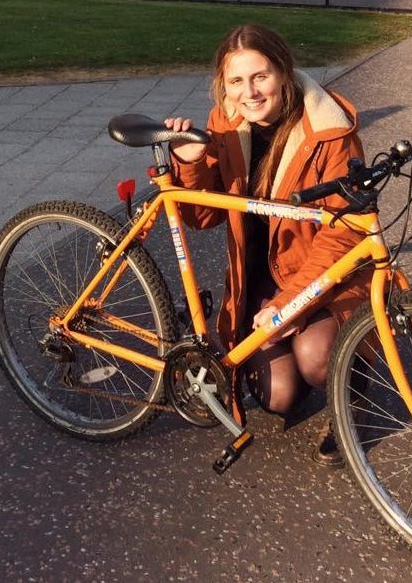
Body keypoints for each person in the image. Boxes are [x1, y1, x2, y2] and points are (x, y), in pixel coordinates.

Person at [165, 24, 370, 466]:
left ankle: (352, 392)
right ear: (223, 85)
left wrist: (292, 303)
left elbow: (345, 231)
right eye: (236, 81)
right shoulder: (226, 119)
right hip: (260, 279)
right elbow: (204, 215)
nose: (249, 92)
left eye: (260, 76)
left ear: (283, 71)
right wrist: (191, 165)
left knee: (317, 359)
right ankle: (305, 359)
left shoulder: (329, 131)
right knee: (277, 398)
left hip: (322, 276)